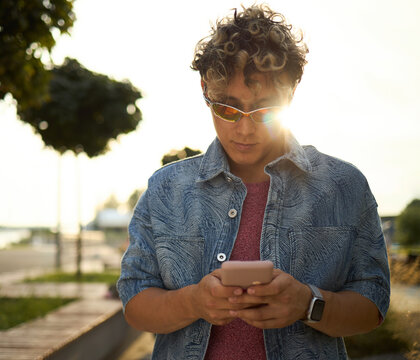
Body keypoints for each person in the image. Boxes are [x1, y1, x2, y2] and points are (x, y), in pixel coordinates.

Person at [117, 4, 390, 359]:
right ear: (205, 90)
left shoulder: (343, 186)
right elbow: (135, 301)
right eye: (227, 109)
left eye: (265, 111)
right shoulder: (166, 190)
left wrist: (308, 304)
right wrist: (193, 302)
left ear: (291, 91)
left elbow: (373, 302)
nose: (244, 130)